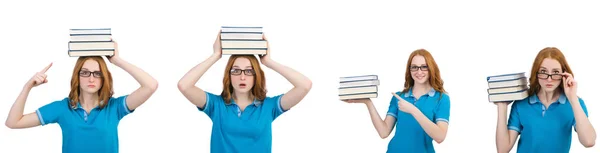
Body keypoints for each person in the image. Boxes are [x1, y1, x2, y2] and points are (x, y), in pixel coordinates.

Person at [5, 41, 159, 153]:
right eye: (85, 72)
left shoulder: (114, 108)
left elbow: (150, 86)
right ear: (77, 77)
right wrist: (28, 87)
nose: (91, 79)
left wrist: (116, 60)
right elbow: (13, 122)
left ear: (104, 78)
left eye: (97, 73)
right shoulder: (62, 108)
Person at [177, 32, 312, 153]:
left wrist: (268, 62)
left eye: (249, 71)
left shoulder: (268, 106)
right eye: (236, 70)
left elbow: (305, 85)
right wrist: (215, 55)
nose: (242, 77)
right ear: (228, 75)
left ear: (256, 75)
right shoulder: (216, 105)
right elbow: (184, 85)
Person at [343, 49, 450, 153]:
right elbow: (383, 132)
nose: (419, 71)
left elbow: (440, 137)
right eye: (414, 67)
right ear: (409, 70)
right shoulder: (399, 97)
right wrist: (368, 102)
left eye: (424, 67)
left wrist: (413, 110)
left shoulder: (441, 98)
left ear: (431, 68)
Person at [495, 47, 596, 153]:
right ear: (536, 73)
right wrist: (502, 106)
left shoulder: (575, 104)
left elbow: (589, 141)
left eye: (556, 72)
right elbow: (503, 149)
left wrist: (573, 98)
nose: (549, 79)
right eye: (543, 71)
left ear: (564, 75)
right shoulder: (521, 104)